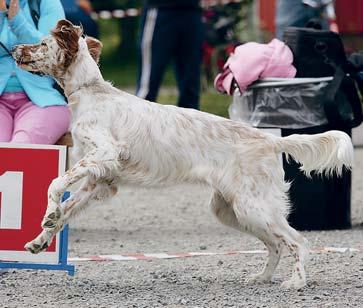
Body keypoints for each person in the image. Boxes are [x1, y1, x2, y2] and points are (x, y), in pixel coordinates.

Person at [0, 0, 70, 144]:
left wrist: (17, 21)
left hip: (42, 101)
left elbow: (50, 51)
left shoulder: (46, 3)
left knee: (22, 146)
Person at [136, 0, 203, 110]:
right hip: (160, 11)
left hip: (192, 12)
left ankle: (187, 126)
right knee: (147, 86)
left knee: (191, 86)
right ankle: (137, 123)